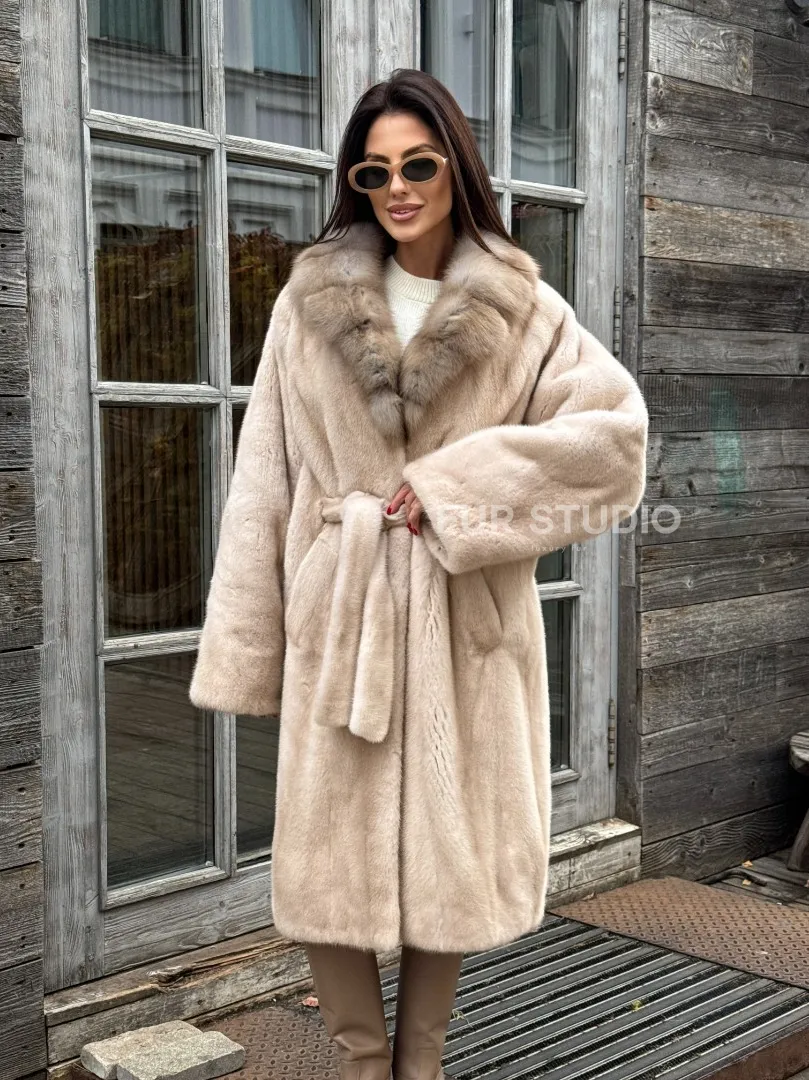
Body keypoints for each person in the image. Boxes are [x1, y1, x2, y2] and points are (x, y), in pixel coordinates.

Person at [189, 68, 649, 1080]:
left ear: (454, 168)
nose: (397, 187)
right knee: (326, 858)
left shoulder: (525, 312)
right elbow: (262, 479)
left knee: (452, 851)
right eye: (375, 170)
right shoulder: (305, 309)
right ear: (356, 181)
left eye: (418, 165)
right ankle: (363, 1064)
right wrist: (248, 643)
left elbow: (613, 443)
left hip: (462, 618)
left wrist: (454, 490)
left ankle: (422, 1063)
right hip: (341, 611)